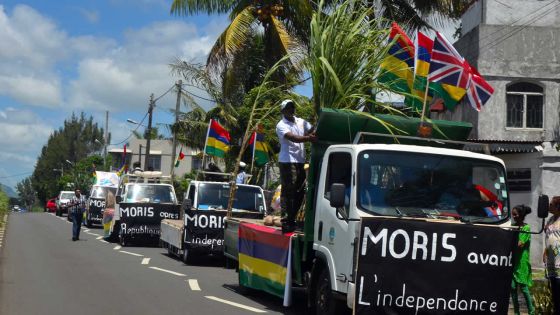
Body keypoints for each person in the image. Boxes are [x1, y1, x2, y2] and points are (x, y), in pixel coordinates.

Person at [275, 99, 316, 233]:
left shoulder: (300, 121)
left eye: (292, 107)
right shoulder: (281, 125)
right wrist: (309, 138)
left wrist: (315, 129)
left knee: (300, 190)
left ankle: (293, 219)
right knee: (289, 191)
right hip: (288, 161)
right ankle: (286, 221)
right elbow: (293, 137)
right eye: (288, 108)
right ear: (283, 111)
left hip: (299, 161)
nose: (291, 109)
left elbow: (312, 129)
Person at [510, 205, 534, 315]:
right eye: (512, 214)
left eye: (515, 214)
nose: (513, 216)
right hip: (513, 261)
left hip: (522, 262)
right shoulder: (513, 227)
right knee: (513, 288)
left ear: (521, 215)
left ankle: (531, 311)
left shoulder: (526, 228)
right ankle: (516, 312)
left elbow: (520, 244)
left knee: (524, 288)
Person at [544, 196, 560, 314]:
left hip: (559, 260)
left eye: (551, 204)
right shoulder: (550, 219)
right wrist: (545, 250)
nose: (549, 206)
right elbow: (549, 237)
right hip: (551, 260)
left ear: (558, 207)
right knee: (554, 290)